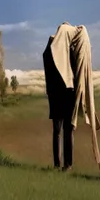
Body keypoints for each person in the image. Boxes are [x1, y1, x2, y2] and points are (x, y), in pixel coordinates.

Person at [43, 36, 76, 171]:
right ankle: (66, 165)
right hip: (65, 96)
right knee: (66, 131)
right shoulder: (67, 49)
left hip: (58, 97)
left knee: (59, 131)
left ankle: (60, 164)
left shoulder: (51, 49)